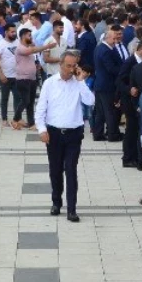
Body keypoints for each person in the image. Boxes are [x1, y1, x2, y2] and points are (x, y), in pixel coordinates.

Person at [35, 51, 95, 222]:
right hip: (54, 132)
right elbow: (41, 109)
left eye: (73, 65)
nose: (70, 69)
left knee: (71, 169)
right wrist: (42, 130)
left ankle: (72, 209)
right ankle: (56, 201)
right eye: (68, 65)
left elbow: (90, 101)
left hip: (74, 133)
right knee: (55, 170)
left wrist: (81, 81)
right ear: (60, 65)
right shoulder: (50, 83)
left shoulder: (79, 83)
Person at [91, 25, 127, 141]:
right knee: (110, 111)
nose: (116, 41)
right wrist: (123, 71)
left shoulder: (100, 48)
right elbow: (111, 68)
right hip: (107, 85)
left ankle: (98, 134)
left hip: (100, 84)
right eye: (114, 39)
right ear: (107, 38)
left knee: (101, 112)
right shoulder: (105, 50)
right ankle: (112, 134)